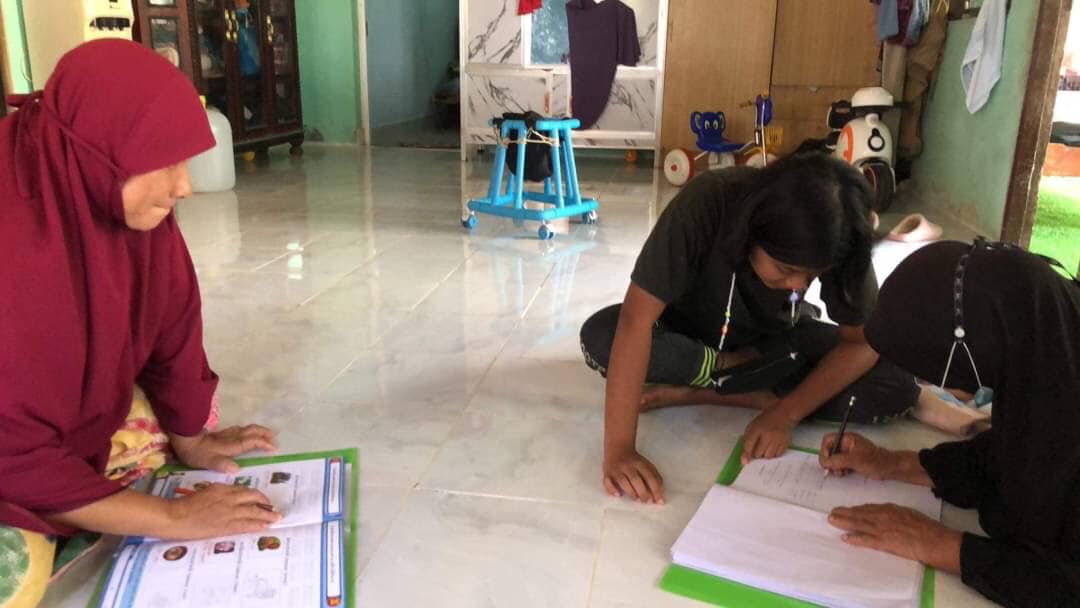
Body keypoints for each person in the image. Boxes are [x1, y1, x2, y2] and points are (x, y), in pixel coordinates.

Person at [0, 41, 279, 607]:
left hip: (27, 416)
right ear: (95, 156)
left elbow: (173, 324)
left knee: (156, 429)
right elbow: (10, 449)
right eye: (166, 163)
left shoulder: (110, 197)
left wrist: (192, 440)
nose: (185, 187)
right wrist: (173, 518)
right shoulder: (16, 252)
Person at [579, 155, 919, 504]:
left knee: (897, 384)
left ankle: (708, 392)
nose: (797, 285)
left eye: (813, 275)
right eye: (785, 268)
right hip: (685, 336)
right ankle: (731, 374)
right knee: (603, 338)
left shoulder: (843, 232)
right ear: (752, 231)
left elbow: (861, 343)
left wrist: (785, 415)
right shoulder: (708, 201)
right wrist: (619, 450)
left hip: (774, 344)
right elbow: (636, 320)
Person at [819, 240, 1080, 607]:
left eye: (930, 371)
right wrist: (892, 463)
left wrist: (942, 546)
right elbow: (1012, 450)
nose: (933, 384)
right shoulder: (1049, 357)